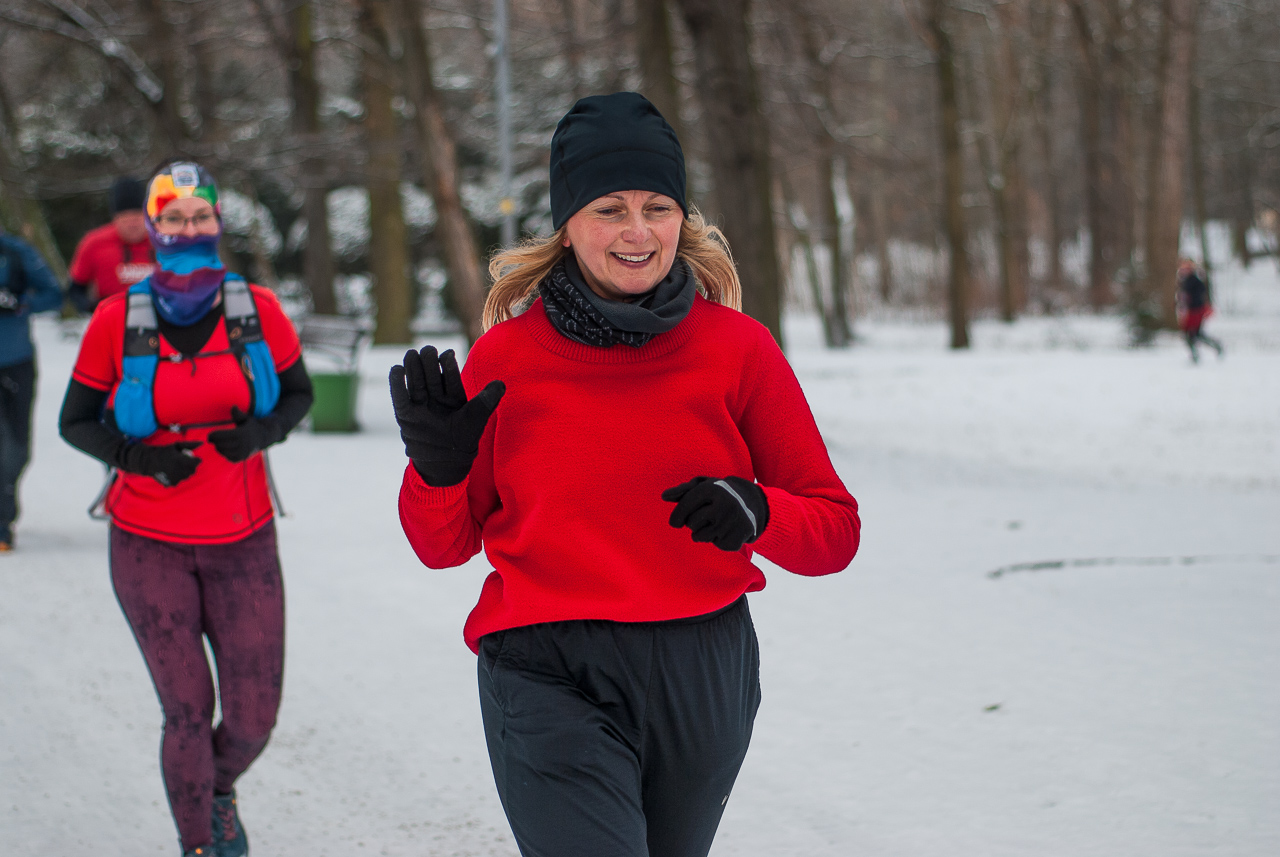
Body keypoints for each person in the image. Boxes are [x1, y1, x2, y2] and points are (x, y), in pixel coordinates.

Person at [391, 92, 860, 857]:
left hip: (701, 669)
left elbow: (835, 531)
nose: (638, 231)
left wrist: (759, 509)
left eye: (658, 206)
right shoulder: (506, 359)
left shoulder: (739, 350)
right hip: (546, 669)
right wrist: (437, 471)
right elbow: (442, 545)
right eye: (610, 208)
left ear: (684, 217)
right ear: (568, 224)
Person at [59, 161, 313, 857]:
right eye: (173, 217)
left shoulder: (256, 309)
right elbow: (74, 421)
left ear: (218, 222)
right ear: (153, 227)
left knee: (255, 715)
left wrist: (259, 433)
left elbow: (297, 395)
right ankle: (201, 841)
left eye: (200, 215)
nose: (188, 227)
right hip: (148, 543)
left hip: (244, 537)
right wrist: (139, 458)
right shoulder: (118, 319)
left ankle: (216, 785)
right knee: (186, 711)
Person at [0, 228, 64, 551]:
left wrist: (20, 302)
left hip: (16, 360)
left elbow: (54, 294)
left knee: (17, 448)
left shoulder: (17, 252)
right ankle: (1, 524)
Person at [68, 176, 156, 313]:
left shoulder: (163, 240)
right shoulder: (94, 242)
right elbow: (76, 289)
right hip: (111, 317)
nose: (132, 223)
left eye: (137, 215)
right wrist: (91, 307)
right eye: (125, 216)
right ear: (115, 218)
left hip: (159, 317)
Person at [1176, 258, 1224, 362]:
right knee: (1192, 334)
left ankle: (1210, 349)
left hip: (1196, 310)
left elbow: (1199, 294)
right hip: (1190, 311)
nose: (1183, 270)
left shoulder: (1194, 280)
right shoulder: (1185, 281)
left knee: (1194, 334)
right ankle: (1200, 352)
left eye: (1186, 268)